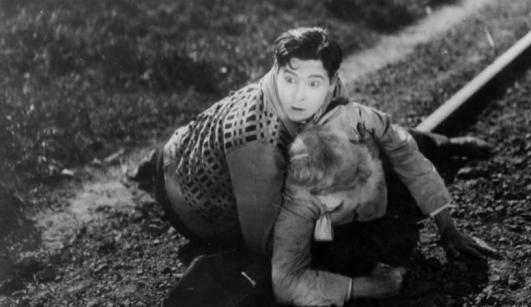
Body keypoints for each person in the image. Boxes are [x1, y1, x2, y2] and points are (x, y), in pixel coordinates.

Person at [149, 26, 496, 305]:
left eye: (313, 83)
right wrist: (363, 276)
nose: (299, 96)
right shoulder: (255, 140)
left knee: (362, 145)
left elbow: (388, 140)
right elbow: (268, 245)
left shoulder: (330, 89)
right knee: (299, 251)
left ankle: (444, 145)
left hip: (249, 155)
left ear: (330, 81)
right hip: (199, 206)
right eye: (290, 80)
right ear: (276, 71)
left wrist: (447, 225)